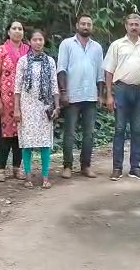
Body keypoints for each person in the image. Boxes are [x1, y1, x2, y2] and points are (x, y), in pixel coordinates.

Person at [103, 13, 140, 181]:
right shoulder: (117, 45)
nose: (134, 27)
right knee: (119, 129)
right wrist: (108, 95)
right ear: (126, 26)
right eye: (131, 24)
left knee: (137, 129)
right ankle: (117, 168)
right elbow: (108, 71)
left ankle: (135, 167)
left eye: (137, 24)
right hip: (121, 90)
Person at [57, 14, 104, 179]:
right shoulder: (67, 44)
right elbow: (61, 69)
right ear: (77, 25)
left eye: (89, 24)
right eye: (83, 24)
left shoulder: (97, 47)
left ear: (92, 27)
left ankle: (86, 166)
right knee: (69, 132)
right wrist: (63, 92)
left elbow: (100, 74)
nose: (86, 26)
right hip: (72, 95)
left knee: (89, 133)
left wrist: (100, 94)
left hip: (90, 96)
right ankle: (67, 166)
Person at [14, 30, 60, 189]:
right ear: (29, 41)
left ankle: (45, 177)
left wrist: (57, 105)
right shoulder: (23, 61)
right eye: (35, 39)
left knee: (45, 142)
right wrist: (16, 109)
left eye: (41, 39)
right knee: (27, 142)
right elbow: (17, 88)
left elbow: (54, 85)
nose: (38, 42)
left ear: (44, 41)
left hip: (44, 106)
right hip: (27, 105)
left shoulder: (50, 61)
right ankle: (28, 177)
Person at [0, 21, 30, 182]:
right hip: (5, 100)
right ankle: (1, 169)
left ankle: (17, 167)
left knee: (20, 135)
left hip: (24, 101)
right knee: (3, 136)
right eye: (14, 28)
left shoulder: (28, 51)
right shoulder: (0, 51)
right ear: (8, 32)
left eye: (20, 28)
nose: (17, 31)